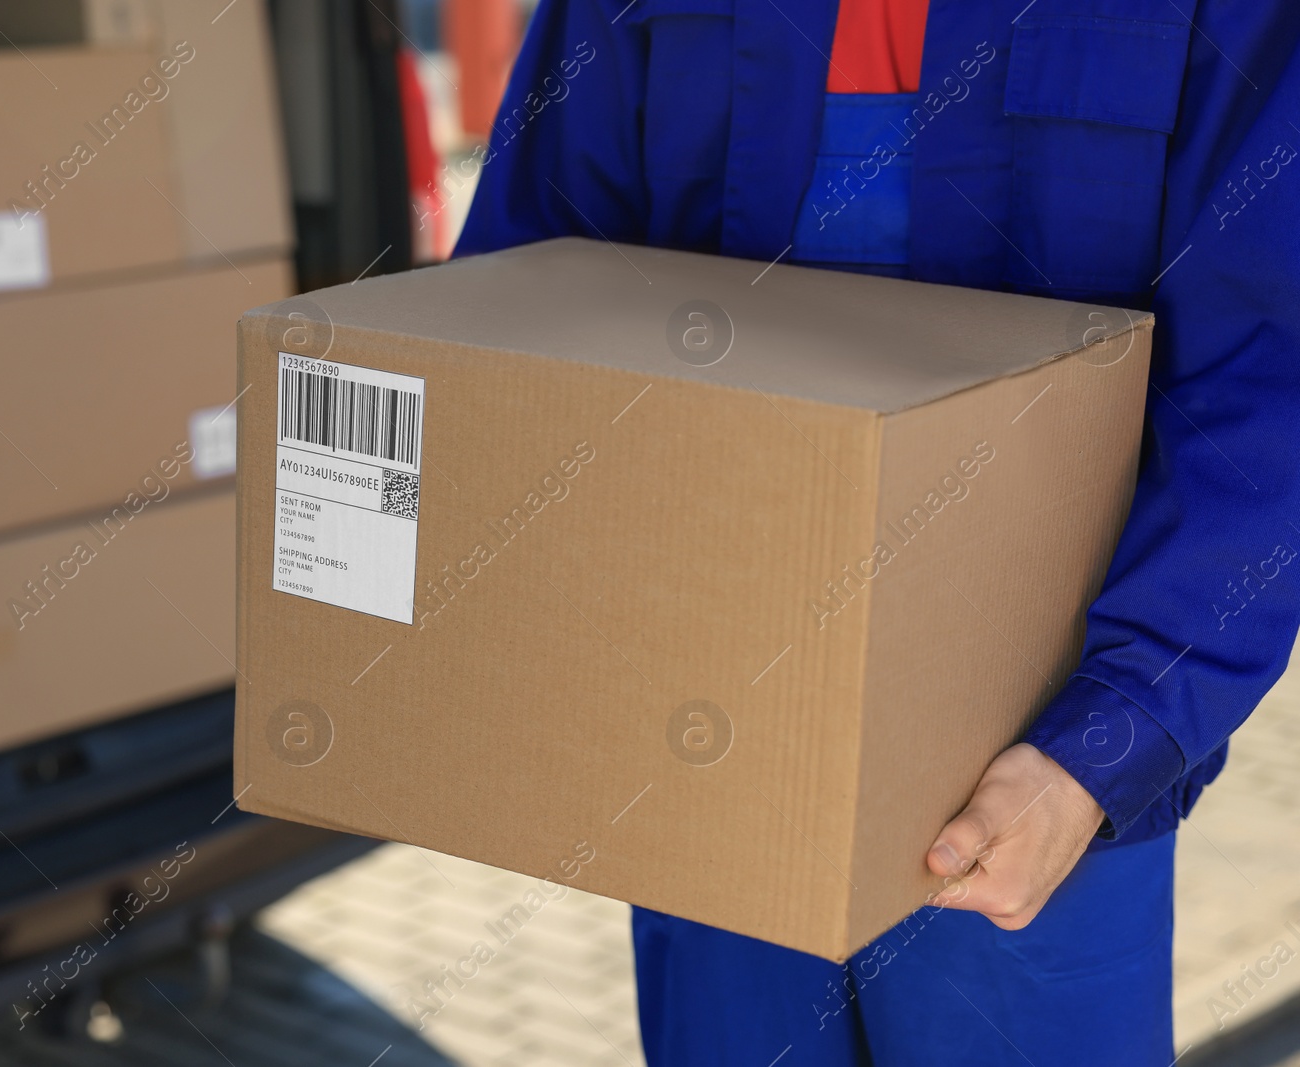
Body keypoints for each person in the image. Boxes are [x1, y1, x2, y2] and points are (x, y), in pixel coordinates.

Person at [452, 0, 1300, 1061]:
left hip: (1039, 783)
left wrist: (1105, 744)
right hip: (707, 741)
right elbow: (531, 292)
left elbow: (1267, 388)